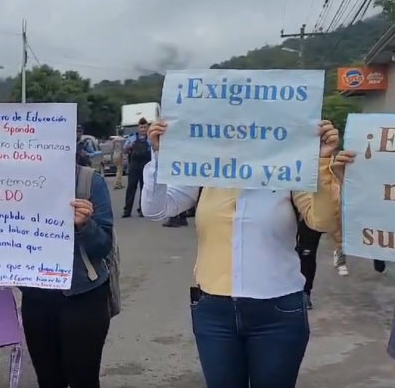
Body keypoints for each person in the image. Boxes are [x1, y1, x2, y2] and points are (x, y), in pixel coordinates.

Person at [140, 119, 344, 388]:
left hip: (278, 310)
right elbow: (156, 209)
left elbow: (323, 220)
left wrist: (320, 162)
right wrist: (161, 157)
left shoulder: (288, 168)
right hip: (215, 312)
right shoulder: (205, 169)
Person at [20, 163, 114, 388]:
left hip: (83, 296)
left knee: (84, 379)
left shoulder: (88, 181)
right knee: (49, 380)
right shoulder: (12, 181)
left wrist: (85, 225)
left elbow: (103, 247)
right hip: (36, 298)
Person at [122, 118, 150, 218]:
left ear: (148, 128)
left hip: (146, 164)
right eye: (141, 127)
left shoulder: (150, 138)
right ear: (138, 128)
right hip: (134, 164)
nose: (143, 129)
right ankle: (127, 211)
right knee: (131, 187)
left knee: (144, 188)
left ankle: (142, 210)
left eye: (145, 127)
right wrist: (129, 147)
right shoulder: (132, 138)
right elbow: (124, 150)